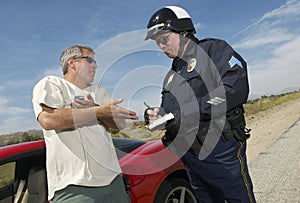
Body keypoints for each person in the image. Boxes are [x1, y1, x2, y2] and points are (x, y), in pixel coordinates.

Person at [144, 6, 256, 203]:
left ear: (183, 31)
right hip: (190, 156)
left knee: (236, 198)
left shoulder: (214, 50)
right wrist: (155, 115)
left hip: (221, 149)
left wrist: (191, 111)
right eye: (157, 42)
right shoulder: (171, 76)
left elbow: (234, 88)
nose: (161, 46)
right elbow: (170, 111)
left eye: (164, 39)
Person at [32, 45, 138, 202]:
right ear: (72, 63)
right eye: (89, 60)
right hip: (74, 188)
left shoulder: (99, 91)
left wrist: (95, 108)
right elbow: (48, 119)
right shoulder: (52, 84)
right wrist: (97, 112)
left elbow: (120, 125)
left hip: (113, 182)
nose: (95, 66)